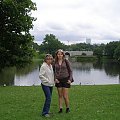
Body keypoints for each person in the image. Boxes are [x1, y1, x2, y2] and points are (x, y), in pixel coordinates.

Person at [53, 49, 73, 113]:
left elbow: (70, 71)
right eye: (58, 54)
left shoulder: (66, 61)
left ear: (63, 55)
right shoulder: (54, 62)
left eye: (61, 54)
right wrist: (55, 78)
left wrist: (70, 80)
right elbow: (53, 71)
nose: (60, 55)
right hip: (58, 80)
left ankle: (67, 108)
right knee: (60, 95)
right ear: (56, 55)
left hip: (66, 79)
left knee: (65, 96)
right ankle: (60, 109)